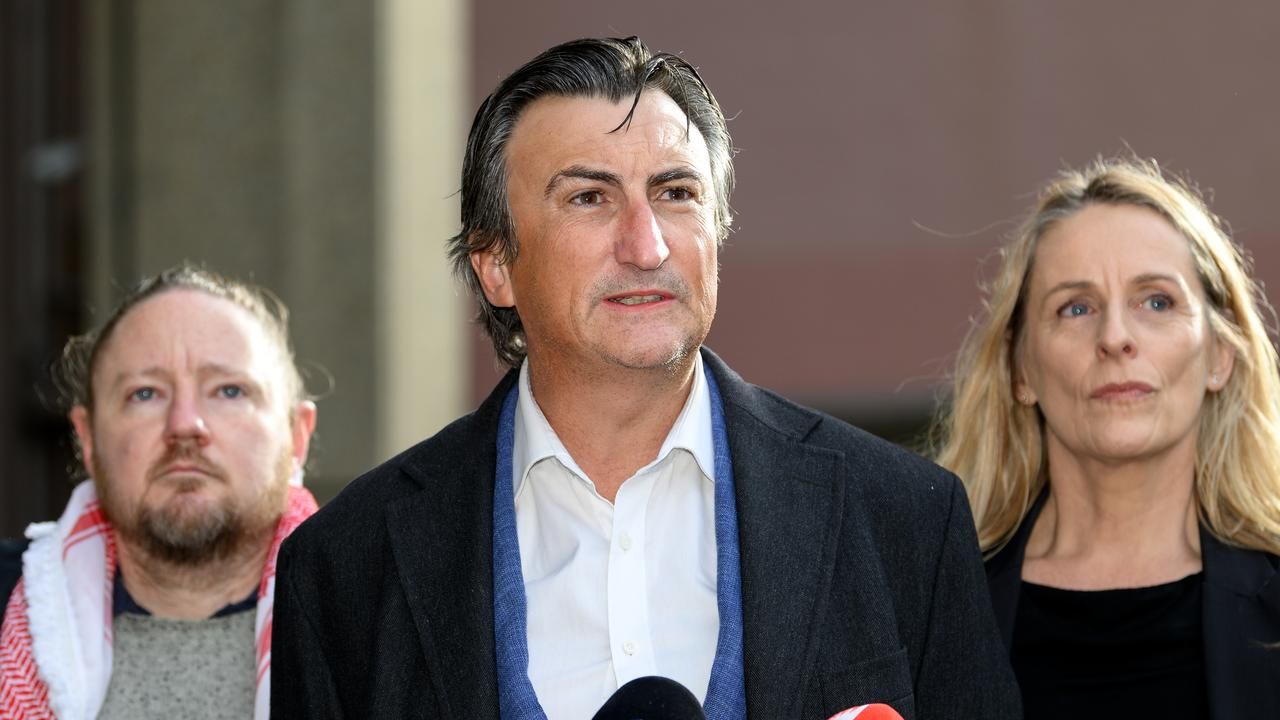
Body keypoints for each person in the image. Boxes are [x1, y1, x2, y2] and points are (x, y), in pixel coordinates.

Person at [271, 36, 1019, 720]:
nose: (646, 244)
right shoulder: (348, 565)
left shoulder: (903, 521)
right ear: (496, 265)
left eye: (676, 193)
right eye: (589, 198)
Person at [932, 157, 1280, 718]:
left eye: (1157, 301)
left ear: (1220, 355)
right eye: (1076, 308)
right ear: (1021, 369)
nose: (1115, 337)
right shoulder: (933, 605)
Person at [0, 265, 320, 720]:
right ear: (87, 438)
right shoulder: (12, 604)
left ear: (297, 434)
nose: (185, 425)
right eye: (145, 394)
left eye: (229, 391)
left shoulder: (380, 616)